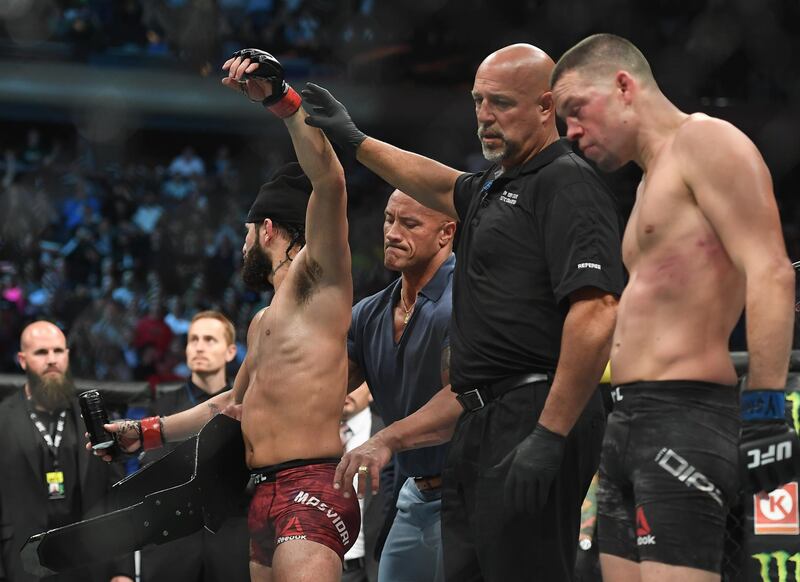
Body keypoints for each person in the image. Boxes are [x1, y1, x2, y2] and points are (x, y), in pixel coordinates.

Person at [302, 43, 624, 581]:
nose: (484, 117)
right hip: (479, 420)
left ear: (547, 107)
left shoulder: (565, 181)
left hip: (533, 408)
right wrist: (353, 141)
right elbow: (436, 181)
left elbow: (595, 313)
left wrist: (549, 434)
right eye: (477, 101)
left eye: (499, 103)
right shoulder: (500, 186)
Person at [96, 48, 359, 582]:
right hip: (261, 490)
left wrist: (283, 102)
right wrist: (146, 432)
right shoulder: (266, 319)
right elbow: (229, 404)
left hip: (310, 486)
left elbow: (329, 181)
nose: (240, 244)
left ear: (267, 229)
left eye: (246, 232)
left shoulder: (319, 279)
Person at [550, 33, 798, 582]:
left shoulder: (705, 142)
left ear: (622, 86)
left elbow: (771, 269)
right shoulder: (645, 188)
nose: (571, 133)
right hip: (626, 418)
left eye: (575, 111)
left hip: (684, 415)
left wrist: (765, 409)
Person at [337, 189, 457, 582]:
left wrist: (385, 439)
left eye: (409, 223)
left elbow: (461, 401)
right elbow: (325, 389)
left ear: (446, 233)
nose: (391, 232)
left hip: (472, 498)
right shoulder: (369, 313)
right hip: (414, 497)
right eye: (389, 219)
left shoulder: (467, 298)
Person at [0, 321, 134, 582]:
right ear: (22, 360)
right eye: (41, 353)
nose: (51, 360)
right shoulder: (2, 420)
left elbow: (116, 497)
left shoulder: (95, 421)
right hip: (20, 566)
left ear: (67, 355)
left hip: (87, 565)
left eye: (58, 351)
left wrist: (123, 569)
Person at [139, 310, 250, 582]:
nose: (199, 346)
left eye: (210, 340)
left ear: (231, 351)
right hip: (171, 542)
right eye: (193, 340)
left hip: (232, 540)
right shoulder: (161, 411)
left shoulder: (248, 407)